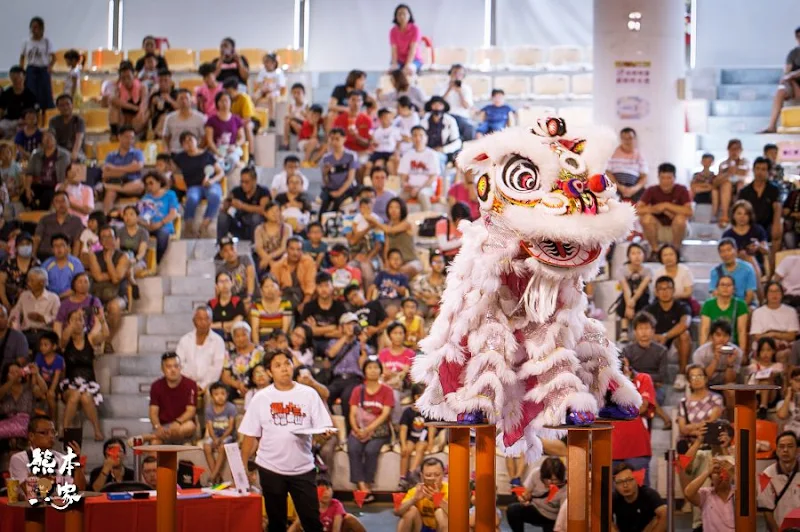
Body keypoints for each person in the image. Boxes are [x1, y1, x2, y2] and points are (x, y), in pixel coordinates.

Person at [240, 349, 333, 532]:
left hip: (303, 468)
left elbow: (324, 427)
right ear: (269, 372)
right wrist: (242, 469)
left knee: (312, 523)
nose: (284, 368)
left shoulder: (309, 394)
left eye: (287, 363)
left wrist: (325, 434)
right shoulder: (261, 398)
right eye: (278, 365)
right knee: (276, 524)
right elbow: (249, 435)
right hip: (270, 468)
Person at [347, 357, 394, 502]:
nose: (373, 370)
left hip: (379, 431)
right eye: (369, 367)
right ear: (364, 371)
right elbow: (352, 412)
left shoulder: (387, 390)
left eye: (376, 367)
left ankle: (366, 485)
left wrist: (368, 429)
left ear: (380, 370)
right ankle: (363, 487)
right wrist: (356, 428)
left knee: (371, 450)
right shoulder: (357, 390)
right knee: (353, 447)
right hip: (359, 428)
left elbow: (385, 414)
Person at [59, 308, 108, 441]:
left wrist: (102, 320)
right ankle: (65, 430)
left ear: (84, 323)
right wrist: (72, 323)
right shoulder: (65, 341)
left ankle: (97, 431)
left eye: (80, 319)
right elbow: (63, 339)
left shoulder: (90, 339)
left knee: (86, 397)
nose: (77, 322)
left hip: (89, 383)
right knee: (75, 395)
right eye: (74, 320)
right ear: (68, 323)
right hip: (70, 383)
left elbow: (105, 335)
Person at [8, 415, 86, 491]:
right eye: (44, 433)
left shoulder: (61, 459)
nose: (51, 436)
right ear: (31, 436)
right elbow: (26, 491)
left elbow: (80, 490)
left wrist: (76, 460)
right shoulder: (19, 459)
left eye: (53, 432)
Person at [611, 358, 656, 487]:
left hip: (638, 448)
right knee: (612, 498)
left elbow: (642, 408)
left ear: (627, 363)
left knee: (641, 491)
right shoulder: (604, 382)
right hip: (611, 449)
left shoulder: (643, 378)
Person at [643, 276, 692, 390]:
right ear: (656, 292)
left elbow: (685, 324)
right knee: (644, 335)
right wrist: (654, 337)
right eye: (661, 289)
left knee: (685, 335)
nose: (665, 292)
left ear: (674, 290)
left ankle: (682, 374)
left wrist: (666, 336)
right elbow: (642, 328)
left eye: (668, 288)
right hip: (655, 346)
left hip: (674, 348)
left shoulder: (683, 306)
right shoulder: (649, 309)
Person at [173, 131, 224, 238]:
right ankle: (188, 227)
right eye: (185, 142)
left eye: (190, 139)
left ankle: (204, 225)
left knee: (215, 195)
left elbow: (220, 172)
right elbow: (174, 172)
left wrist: (212, 180)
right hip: (193, 186)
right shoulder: (180, 158)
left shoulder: (207, 155)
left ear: (197, 141)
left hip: (210, 184)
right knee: (191, 198)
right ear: (182, 145)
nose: (189, 143)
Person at [87, 225, 129, 351]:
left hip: (119, 295)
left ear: (116, 239)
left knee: (114, 307)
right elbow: (98, 277)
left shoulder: (123, 256)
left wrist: (109, 260)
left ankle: (108, 341)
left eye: (110, 236)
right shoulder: (94, 255)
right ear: (99, 241)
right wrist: (113, 273)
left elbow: (116, 280)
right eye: (103, 237)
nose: (107, 240)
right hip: (98, 294)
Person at [142, 351, 197, 445]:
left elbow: (191, 410)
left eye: (176, 366)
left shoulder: (190, 384)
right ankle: (156, 437)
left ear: (180, 367)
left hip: (182, 425)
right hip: (163, 426)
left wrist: (177, 422)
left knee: (190, 426)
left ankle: (151, 436)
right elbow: (153, 412)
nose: (173, 370)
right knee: (155, 443)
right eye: (169, 367)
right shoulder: (156, 386)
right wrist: (157, 427)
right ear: (162, 369)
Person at [637, 163, 693, 252]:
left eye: (669, 178)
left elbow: (689, 212)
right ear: (658, 178)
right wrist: (655, 209)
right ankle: (655, 251)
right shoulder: (651, 190)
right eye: (662, 178)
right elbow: (637, 210)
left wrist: (666, 206)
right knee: (646, 219)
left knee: (680, 219)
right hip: (657, 228)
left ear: (674, 178)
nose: (665, 181)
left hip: (678, 228)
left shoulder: (682, 189)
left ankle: (675, 251)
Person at [738, 157, 783, 264]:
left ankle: (772, 270)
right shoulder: (745, 191)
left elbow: (777, 209)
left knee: (776, 233)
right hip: (749, 225)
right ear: (753, 170)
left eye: (763, 169)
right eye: (757, 168)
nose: (760, 172)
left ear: (768, 172)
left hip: (768, 225)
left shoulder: (774, 190)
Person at [176, 305, 226, 396]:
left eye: (206, 319)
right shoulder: (185, 340)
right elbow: (179, 364)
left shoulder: (218, 341)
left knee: (210, 394)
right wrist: (191, 384)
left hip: (210, 385)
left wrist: (202, 386)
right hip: (186, 383)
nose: (203, 322)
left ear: (211, 321)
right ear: (194, 321)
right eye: (199, 319)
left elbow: (216, 368)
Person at [506, 456, 566, 532]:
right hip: (536, 509)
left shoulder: (566, 486)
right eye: (546, 479)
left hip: (554, 517)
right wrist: (523, 499)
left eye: (554, 480)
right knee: (513, 510)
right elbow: (525, 493)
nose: (549, 482)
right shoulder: (536, 473)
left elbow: (563, 514)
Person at [761, 26, 800, 133]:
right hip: (795, 86)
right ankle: (772, 126)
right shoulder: (793, 54)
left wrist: (792, 75)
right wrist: (791, 80)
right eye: (798, 37)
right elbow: (786, 73)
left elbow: (791, 74)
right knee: (780, 91)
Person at [98, 125, 145, 214]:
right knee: (110, 193)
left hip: (132, 184)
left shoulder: (137, 153)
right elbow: (106, 174)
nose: (129, 141)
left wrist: (115, 168)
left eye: (132, 138)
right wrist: (129, 168)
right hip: (116, 182)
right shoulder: (111, 155)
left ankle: (110, 187)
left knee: (140, 185)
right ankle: (106, 218)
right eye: (127, 137)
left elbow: (139, 166)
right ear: (119, 137)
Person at [758, 431, 800, 530]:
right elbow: (767, 511)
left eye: (790, 446)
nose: (785, 450)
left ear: (798, 450)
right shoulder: (766, 475)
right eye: (781, 446)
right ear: (776, 450)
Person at [9, 267, 59, 350]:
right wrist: (12, 322)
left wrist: (42, 318)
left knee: (40, 344)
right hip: (25, 332)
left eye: (32, 281)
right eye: (28, 280)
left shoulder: (53, 298)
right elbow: (15, 312)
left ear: (42, 283)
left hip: (44, 333)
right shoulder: (24, 295)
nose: (28, 283)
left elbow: (58, 321)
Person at [395, 457, 449, 532]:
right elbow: (397, 512)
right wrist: (414, 499)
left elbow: (458, 517)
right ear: (421, 476)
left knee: (440, 512)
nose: (433, 478)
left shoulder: (451, 490)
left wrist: (438, 499)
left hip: (441, 528)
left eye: (437, 475)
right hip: (420, 527)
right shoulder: (416, 490)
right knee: (410, 510)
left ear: (443, 474)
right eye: (428, 475)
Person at [681, 457, 735, 531]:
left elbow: (752, 495)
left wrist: (733, 473)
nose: (721, 475)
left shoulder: (738, 492)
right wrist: (708, 470)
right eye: (716, 473)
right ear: (711, 478)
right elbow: (688, 493)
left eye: (724, 471)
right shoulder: (706, 494)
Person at [750, 281, 798, 364]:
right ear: (766, 295)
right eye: (771, 291)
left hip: (784, 346)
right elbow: (757, 336)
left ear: (782, 294)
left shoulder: (791, 311)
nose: (774, 294)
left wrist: (772, 334)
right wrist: (774, 338)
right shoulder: (758, 312)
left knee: (786, 353)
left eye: (777, 291)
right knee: (763, 351)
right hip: (764, 345)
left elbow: (792, 336)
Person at [23, 129, 71, 212]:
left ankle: (39, 216)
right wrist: (28, 189)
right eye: (45, 137)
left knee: (47, 196)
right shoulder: (36, 155)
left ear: (55, 139)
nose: (48, 140)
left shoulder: (64, 155)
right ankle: (34, 211)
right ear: (42, 141)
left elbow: (69, 173)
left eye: (50, 137)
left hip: (55, 186)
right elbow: (29, 173)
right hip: (39, 184)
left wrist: (64, 185)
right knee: (24, 196)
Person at [722, 200, 769, 285]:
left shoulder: (758, 230)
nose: (742, 217)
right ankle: (760, 296)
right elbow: (724, 255)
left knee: (750, 259)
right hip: (734, 266)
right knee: (745, 258)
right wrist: (738, 255)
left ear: (750, 216)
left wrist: (758, 246)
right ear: (733, 215)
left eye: (746, 214)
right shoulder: (727, 234)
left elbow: (766, 250)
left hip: (757, 266)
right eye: (739, 213)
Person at [677, 364, 725, 445]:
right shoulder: (683, 402)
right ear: (689, 381)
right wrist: (695, 432)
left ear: (706, 378)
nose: (697, 379)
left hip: (710, 442)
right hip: (689, 444)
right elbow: (682, 429)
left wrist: (690, 428)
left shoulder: (716, 398)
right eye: (693, 377)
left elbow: (711, 423)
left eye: (700, 375)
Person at [611, 463, 666, 532]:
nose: (625, 485)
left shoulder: (649, 494)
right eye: (620, 482)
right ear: (615, 485)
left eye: (629, 480)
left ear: (636, 480)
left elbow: (665, 514)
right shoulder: (614, 498)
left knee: (658, 518)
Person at [700, 275, 749, 351]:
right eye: (722, 285)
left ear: (734, 289)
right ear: (717, 288)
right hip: (713, 345)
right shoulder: (708, 304)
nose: (725, 288)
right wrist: (703, 351)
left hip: (732, 345)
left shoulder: (741, 304)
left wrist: (741, 352)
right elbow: (705, 330)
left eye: (729, 285)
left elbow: (741, 331)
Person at [0, 359, 46, 441]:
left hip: (26, 426)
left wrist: (37, 374)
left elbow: (43, 390)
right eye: (12, 373)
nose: (16, 374)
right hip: (6, 425)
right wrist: (13, 379)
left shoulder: (28, 387)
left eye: (17, 371)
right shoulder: (4, 389)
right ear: (6, 375)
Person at [397, 126, 439, 212]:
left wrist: (419, 189)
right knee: (397, 199)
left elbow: (433, 177)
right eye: (415, 135)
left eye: (421, 135)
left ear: (426, 138)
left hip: (427, 188)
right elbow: (403, 177)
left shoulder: (432, 154)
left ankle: (427, 221)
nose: (418, 138)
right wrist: (405, 185)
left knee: (422, 194)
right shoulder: (407, 155)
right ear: (411, 138)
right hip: (410, 188)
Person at [621, 312, 668, 391]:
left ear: (653, 331)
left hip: (655, 387)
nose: (644, 332)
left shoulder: (662, 351)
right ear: (635, 331)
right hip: (634, 386)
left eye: (646, 328)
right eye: (640, 328)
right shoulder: (627, 350)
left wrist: (636, 375)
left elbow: (661, 376)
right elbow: (626, 373)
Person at [615, 242, 651, 341]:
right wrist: (629, 304)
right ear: (628, 256)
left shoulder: (648, 271)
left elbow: (641, 288)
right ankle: (624, 331)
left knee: (642, 298)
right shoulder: (622, 270)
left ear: (644, 255)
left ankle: (639, 329)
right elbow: (626, 288)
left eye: (639, 253)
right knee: (623, 299)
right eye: (633, 253)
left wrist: (632, 303)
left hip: (641, 296)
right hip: (627, 297)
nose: (637, 256)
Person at [52, 272, 103, 341]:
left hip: (88, 334)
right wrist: (59, 340)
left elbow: (98, 321)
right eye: (80, 282)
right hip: (69, 335)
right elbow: (58, 323)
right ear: (74, 285)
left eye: (86, 282)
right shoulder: (65, 303)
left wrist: (91, 336)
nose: (83, 284)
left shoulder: (94, 301)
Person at [272, 237, 318, 313]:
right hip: (285, 297)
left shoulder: (308, 262)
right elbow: (275, 289)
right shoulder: (277, 266)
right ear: (286, 250)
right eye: (292, 249)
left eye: (298, 249)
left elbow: (310, 285)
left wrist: (304, 304)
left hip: (305, 297)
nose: (295, 253)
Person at [19, 17, 55, 113]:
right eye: (32, 27)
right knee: (31, 93)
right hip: (31, 69)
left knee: (45, 94)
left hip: (43, 69)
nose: (34, 30)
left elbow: (53, 57)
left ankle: (44, 117)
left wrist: (50, 66)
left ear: (41, 28)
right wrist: (21, 70)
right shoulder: (26, 42)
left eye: (37, 27)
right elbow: (22, 57)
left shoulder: (47, 41)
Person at [203, 381, 236, 484]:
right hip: (215, 436)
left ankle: (212, 477)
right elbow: (210, 427)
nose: (220, 397)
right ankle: (217, 475)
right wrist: (214, 439)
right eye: (216, 394)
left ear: (227, 395)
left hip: (227, 436)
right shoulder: (209, 410)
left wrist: (220, 439)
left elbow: (230, 427)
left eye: (223, 394)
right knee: (206, 446)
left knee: (222, 447)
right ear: (212, 396)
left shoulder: (231, 408)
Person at [709, 237, 758, 306]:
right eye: (722, 251)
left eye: (729, 250)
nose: (726, 254)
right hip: (723, 305)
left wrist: (740, 310)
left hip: (744, 304)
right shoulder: (715, 271)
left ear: (736, 250)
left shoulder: (748, 268)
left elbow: (750, 294)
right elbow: (715, 294)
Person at [221, 321, 264, 398]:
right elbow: (225, 377)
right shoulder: (229, 353)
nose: (241, 339)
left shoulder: (259, 351)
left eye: (244, 335)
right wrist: (238, 385)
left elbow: (263, 372)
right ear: (233, 338)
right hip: (235, 387)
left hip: (255, 385)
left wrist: (250, 387)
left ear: (249, 335)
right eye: (237, 336)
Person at [204, 91, 245, 173]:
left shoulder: (236, 119)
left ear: (231, 102)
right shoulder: (211, 120)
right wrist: (217, 152)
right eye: (221, 101)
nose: (224, 103)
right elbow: (210, 141)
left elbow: (242, 138)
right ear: (217, 103)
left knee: (233, 160)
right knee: (215, 164)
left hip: (231, 149)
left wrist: (235, 146)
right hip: (216, 150)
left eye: (227, 100)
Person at [607, 127, 649, 203]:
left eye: (630, 138)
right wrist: (619, 186)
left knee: (645, 196)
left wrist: (634, 189)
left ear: (634, 139)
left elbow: (644, 177)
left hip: (634, 188)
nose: (627, 141)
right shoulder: (613, 153)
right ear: (621, 139)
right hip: (616, 185)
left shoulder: (639, 155)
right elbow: (607, 172)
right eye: (624, 138)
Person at [0, 233, 40, 310]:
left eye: (28, 244)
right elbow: (1, 284)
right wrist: (7, 305)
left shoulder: (36, 264)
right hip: (8, 303)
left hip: (31, 305)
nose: (25, 247)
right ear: (16, 247)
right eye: (22, 244)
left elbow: (39, 287)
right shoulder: (8, 263)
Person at [691, 152, 732, 226]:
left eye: (709, 161)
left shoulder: (713, 175)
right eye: (705, 161)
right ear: (701, 162)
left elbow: (713, 186)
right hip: (699, 196)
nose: (707, 163)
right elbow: (694, 186)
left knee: (714, 191)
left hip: (710, 196)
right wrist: (707, 186)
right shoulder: (696, 175)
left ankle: (714, 215)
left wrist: (704, 187)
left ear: (712, 163)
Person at [421, 96, 462, 168]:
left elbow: (457, 142)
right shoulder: (424, 121)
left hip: (443, 153)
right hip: (426, 151)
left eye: (440, 105)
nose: (437, 107)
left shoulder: (450, 121)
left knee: (436, 159)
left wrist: (443, 149)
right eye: (434, 105)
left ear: (444, 106)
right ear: (430, 106)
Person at [437, 64, 475, 141]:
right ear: (450, 73)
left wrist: (460, 92)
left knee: (470, 127)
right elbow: (437, 104)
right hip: (445, 115)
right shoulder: (440, 86)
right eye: (455, 73)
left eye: (460, 74)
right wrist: (449, 89)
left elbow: (467, 106)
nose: (457, 75)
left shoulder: (466, 88)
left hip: (461, 117)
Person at [748, 337, 784, 418]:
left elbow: (778, 381)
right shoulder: (753, 366)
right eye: (762, 350)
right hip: (756, 395)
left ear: (773, 351)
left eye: (768, 350)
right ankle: (759, 408)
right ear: (758, 352)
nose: (765, 353)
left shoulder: (778, 366)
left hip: (772, 395)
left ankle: (763, 407)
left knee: (765, 381)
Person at [250, 275, 293, 342]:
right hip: (262, 339)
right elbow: (255, 329)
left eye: (272, 286)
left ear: (278, 288)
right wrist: (257, 346)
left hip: (279, 339)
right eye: (266, 287)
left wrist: (278, 343)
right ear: (261, 290)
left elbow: (285, 329)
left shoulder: (286, 303)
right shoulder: (256, 304)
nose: (270, 289)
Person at [215, 236, 257, 305]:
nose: (230, 253)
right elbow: (218, 289)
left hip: (252, 298)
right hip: (233, 303)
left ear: (236, 249)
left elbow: (250, 278)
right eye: (225, 251)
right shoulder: (221, 269)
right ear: (221, 254)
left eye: (232, 249)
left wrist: (249, 296)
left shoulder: (245, 259)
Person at [254, 201, 293, 276]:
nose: (275, 213)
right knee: (259, 267)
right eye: (271, 211)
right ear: (265, 213)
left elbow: (283, 248)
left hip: (281, 258)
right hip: (264, 257)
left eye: (277, 210)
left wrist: (269, 259)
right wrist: (270, 262)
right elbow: (259, 248)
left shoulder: (286, 228)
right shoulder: (259, 229)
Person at [109, 61, 147, 136]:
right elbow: (112, 100)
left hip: (137, 116)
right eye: (123, 78)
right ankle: (115, 134)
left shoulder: (142, 87)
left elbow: (143, 104)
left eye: (128, 77)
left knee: (143, 114)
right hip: (124, 116)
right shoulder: (118, 89)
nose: (126, 80)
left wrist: (139, 110)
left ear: (133, 76)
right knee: (113, 107)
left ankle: (134, 136)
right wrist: (133, 107)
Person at [163, 89, 207, 154]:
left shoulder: (200, 118)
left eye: (186, 98)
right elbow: (165, 136)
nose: (184, 101)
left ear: (191, 101)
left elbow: (204, 138)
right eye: (181, 98)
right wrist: (167, 150)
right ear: (176, 101)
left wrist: (197, 150)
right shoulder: (169, 118)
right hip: (175, 152)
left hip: (194, 152)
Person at [0, 66, 38, 140]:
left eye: (18, 77)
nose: (16, 80)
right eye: (13, 78)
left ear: (24, 77)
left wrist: (26, 122)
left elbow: (34, 114)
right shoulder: (6, 93)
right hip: (8, 121)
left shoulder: (31, 95)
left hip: (24, 122)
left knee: (20, 133)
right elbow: (1, 110)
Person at [42, 233, 84, 298]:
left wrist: (60, 297)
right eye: (55, 246)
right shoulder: (46, 264)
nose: (59, 248)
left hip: (71, 298)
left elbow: (80, 286)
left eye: (62, 245)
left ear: (68, 247)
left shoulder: (76, 264)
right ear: (52, 249)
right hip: (50, 299)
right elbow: (41, 285)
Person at [208, 271, 247, 341]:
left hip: (234, 335)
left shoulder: (238, 301)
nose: (224, 284)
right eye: (221, 282)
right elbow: (209, 324)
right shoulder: (211, 303)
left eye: (227, 281)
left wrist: (220, 325)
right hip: (216, 336)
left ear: (232, 283)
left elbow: (237, 322)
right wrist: (226, 326)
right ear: (216, 285)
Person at [32, 331, 63, 419]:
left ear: (54, 346)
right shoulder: (38, 356)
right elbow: (35, 375)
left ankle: (52, 421)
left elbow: (56, 378)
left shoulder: (59, 360)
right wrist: (34, 386)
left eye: (46, 345)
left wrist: (51, 390)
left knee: (50, 395)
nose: (42, 347)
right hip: (41, 383)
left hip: (53, 385)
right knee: (36, 390)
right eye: (41, 345)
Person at [390, 4, 423, 75]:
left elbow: (413, 50)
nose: (402, 16)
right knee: (392, 72)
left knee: (408, 71)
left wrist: (407, 65)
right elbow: (394, 50)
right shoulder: (393, 31)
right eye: (399, 14)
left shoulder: (415, 29)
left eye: (404, 14)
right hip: (399, 60)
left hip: (414, 60)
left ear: (409, 15)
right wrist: (394, 65)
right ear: (396, 17)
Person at [411, 252, 446, 318]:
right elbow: (415, 293)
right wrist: (427, 300)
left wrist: (436, 300)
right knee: (417, 314)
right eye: (435, 262)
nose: (439, 265)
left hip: (440, 306)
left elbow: (449, 298)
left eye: (441, 262)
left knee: (440, 315)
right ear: (430, 264)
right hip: (423, 304)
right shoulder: (421, 279)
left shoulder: (448, 281)